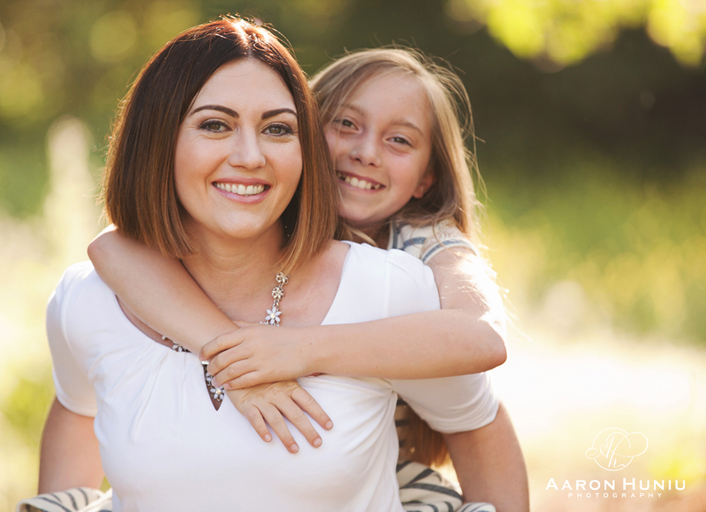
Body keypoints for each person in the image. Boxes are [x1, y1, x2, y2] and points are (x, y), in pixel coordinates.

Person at [38, 18, 519, 511]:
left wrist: (298, 349)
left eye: (276, 128)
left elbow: (480, 351)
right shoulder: (95, 292)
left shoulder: (410, 267)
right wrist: (238, 361)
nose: (365, 154)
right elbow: (109, 251)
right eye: (215, 124)